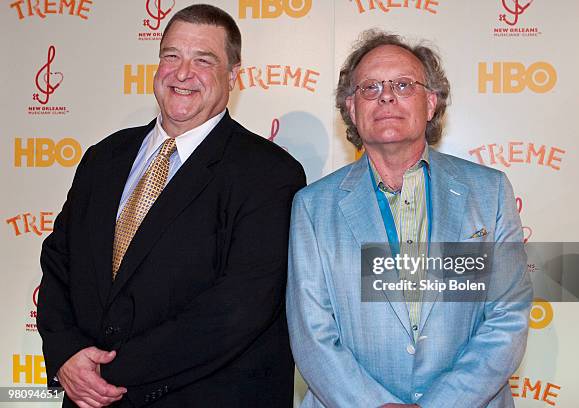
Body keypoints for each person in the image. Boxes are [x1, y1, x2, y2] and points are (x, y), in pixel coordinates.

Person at [37, 4, 305, 407]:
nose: (182, 73)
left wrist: (103, 373)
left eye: (203, 60)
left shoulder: (269, 174)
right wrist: (66, 356)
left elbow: (238, 310)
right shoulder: (103, 157)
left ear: (233, 76)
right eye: (171, 56)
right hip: (85, 397)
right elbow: (59, 263)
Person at [286, 30, 532, 407]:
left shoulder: (490, 193)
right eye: (370, 88)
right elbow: (312, 334)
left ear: (431, 103)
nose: (386, 96)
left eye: (403, 85)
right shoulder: (312, 207)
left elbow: (507, 316)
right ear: (351, 108)